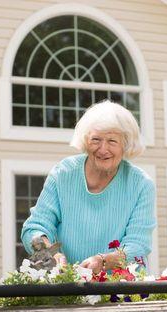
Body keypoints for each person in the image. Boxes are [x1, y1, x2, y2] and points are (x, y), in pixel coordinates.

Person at [20, 100, 156, 274]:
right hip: (66, 283)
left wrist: (103, 261)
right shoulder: (63, 173)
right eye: (96, 139)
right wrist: (47, 252)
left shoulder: (141, 185)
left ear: (126, 144)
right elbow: (35, 227)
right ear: (85, 140)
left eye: (112, 141)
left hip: (119, 289)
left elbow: (138, 245)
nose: (103, 149)